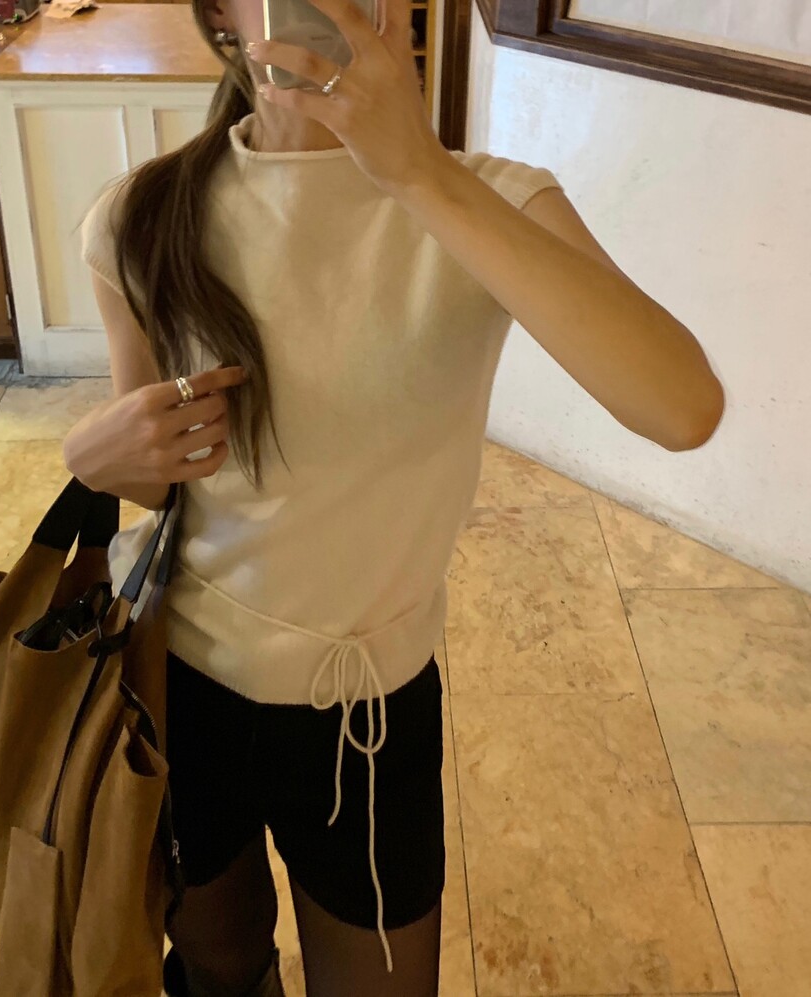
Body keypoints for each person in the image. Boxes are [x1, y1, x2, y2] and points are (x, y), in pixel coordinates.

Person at [62, 0, 726, 992]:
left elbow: (682, 407)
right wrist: (92, 456)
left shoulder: (490, 202)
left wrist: (417, 171)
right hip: (179, 683)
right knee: (215, 963)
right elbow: (163, 478)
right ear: (222, 14)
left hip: (365, 710)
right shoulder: (139, 216)